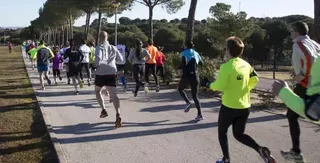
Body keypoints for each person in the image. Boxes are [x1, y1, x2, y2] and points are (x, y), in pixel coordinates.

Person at [209, 37, 276, 163]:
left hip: (229, 106)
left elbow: (219, 86)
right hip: (244, 107)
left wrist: (208, 85)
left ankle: (226, 159)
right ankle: (260, 149)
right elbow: (255, 78)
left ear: (227, 50)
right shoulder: (246, 64)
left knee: (222, 132)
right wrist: (246, 89)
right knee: (239, 134)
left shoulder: (226, 66)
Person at [275, 22, 320, 163]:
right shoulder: (315, 43)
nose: (290, 34)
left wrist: (303, 75)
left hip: (306, 84)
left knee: (292, 115)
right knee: (293, 115)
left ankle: (296, 152)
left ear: (296, 32)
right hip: (314, 84)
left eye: (291, 31)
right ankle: (295, 151)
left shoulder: (298, 43)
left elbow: (310, 59)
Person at [93, 31, 123, 128]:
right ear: (107, 37)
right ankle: (118, 114)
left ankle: (103, 109)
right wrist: (113, 62)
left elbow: (97, 59)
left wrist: (95, 66)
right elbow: (121, 59)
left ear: (100, 38)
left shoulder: (99, 47)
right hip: (111, 72)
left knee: (98, 91)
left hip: (101, 72)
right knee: (114, 95)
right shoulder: (113, 47)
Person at [178, 41, 204, 121]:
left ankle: (188, 102)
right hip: (195, 76)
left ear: (185, 45)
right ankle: (200, 114)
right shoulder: (196, 53)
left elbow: (182, 64)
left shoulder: (183, 53)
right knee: (195, 96)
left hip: (186, 76)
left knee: (180, 89)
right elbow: (201, 63)